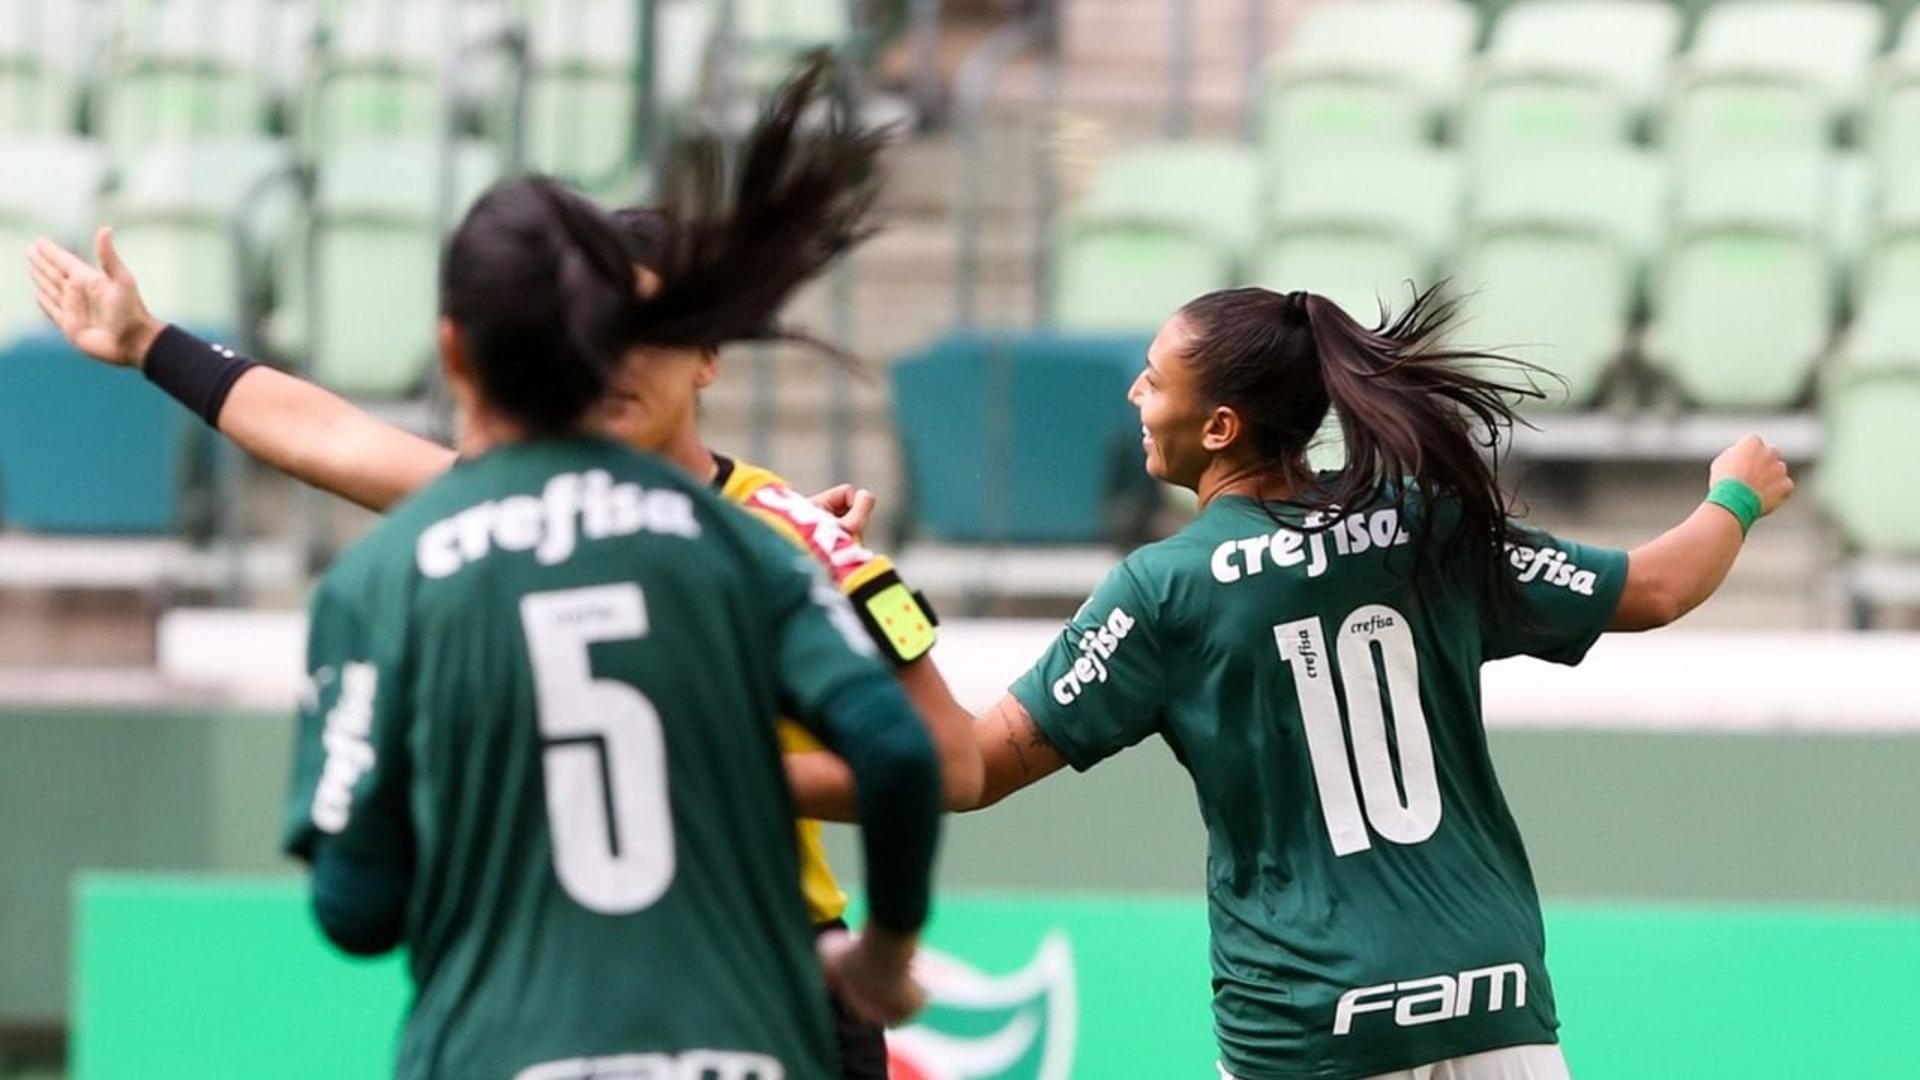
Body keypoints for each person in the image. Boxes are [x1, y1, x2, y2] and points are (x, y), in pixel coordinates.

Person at [25, 58, 979, 1080]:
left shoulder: (785, 534)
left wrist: (691, 764)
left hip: (758, 968)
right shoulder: (564, 521)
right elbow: (329, 437)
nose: (618, 361)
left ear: (707, 357)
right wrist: (152, 343)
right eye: (596, 334)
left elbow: (949, 762)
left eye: (648, 336)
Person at [818, 285, 1793, 1080]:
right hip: (1495, 1007)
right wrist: (1737, 494)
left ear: (1219, 426)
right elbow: (1661, 585)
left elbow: (964, 771)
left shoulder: (1166, 592)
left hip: (1308, 1029)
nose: (1133, 397)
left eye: (1152, 383)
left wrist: (863, 592)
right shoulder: (1424, 526)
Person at [299, 168, 942, 1077]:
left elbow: (355, 909)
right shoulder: (747, 540)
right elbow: (904, 753)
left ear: (453, 351)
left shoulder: (382, 576)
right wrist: (882, 957)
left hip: (501, 1046)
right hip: (744, 1040)